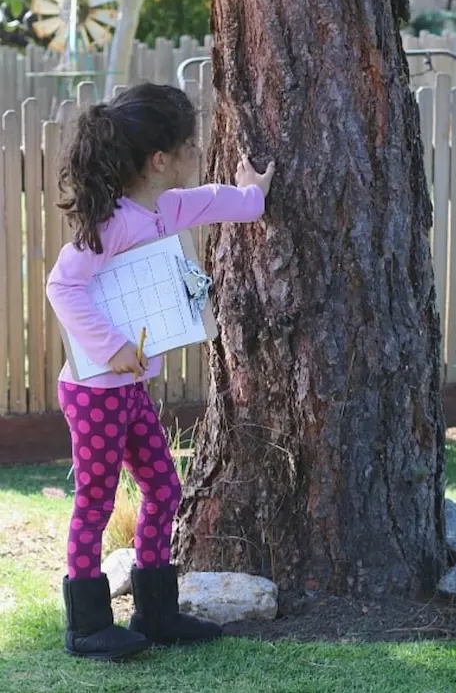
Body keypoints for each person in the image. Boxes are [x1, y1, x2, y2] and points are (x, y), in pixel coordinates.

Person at [46, 82, 275, 661]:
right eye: (191, 148)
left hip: (129, 388)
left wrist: (253, 194)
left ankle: (156, 612)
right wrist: (111, 343)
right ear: (159, 160)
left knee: (163, 486)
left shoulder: (165, 208)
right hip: (94, 390)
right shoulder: (112, 223)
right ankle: (87, 624)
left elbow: (221, 202)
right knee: (96, 498)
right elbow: (62, 285)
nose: (199, 156)